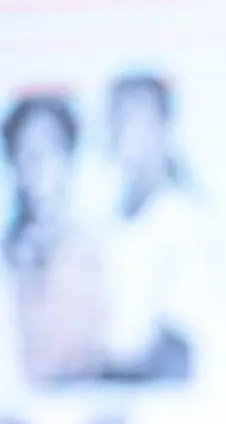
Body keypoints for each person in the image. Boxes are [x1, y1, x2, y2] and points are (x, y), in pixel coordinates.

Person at [96, 73, 213, 383]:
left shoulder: (182, 216)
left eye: (135, 117)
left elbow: (181, 340)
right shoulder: (110, 218)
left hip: (152, 397)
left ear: (164, 127)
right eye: (116, 117)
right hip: (108, 388)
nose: (123, 130)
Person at [1, 94, 108, 384]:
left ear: (69, 157)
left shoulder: (98, 248)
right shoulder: (8, 252)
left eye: (48, 148)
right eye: (24, 149)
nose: (36, 161)